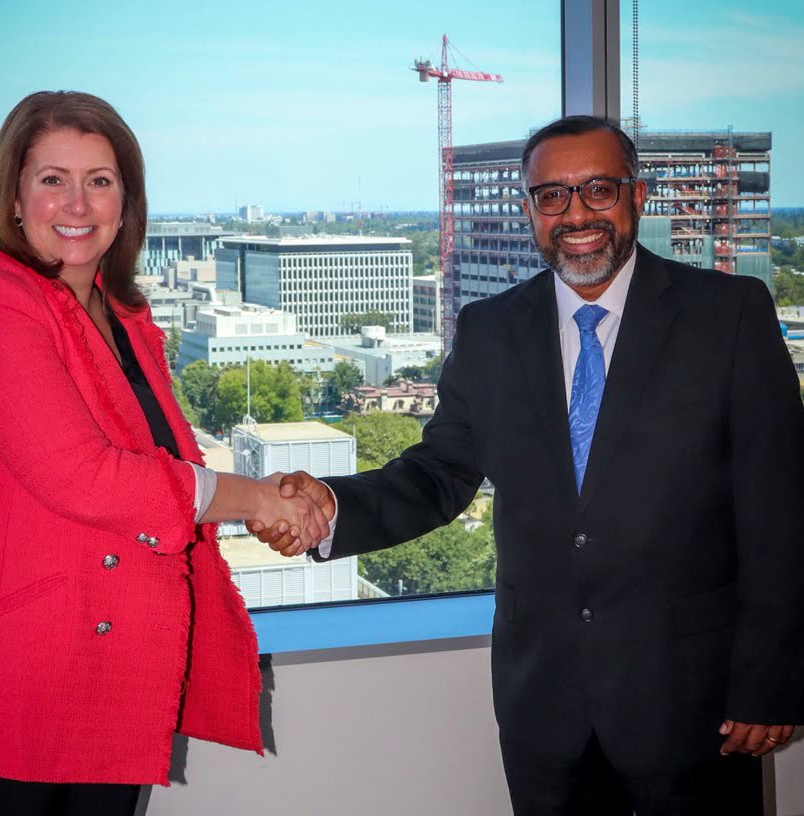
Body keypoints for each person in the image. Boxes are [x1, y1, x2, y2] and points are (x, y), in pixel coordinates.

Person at [251, 116, 804, 815]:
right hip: (544, 708)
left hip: (695, 704)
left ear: (637, 198)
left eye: (598, 189)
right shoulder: (489, 330)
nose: (575, 213)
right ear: (530, 212)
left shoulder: (728, 316)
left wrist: (770, 683)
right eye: (552, 195)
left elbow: (780, 516)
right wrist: (331, 506)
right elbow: (440, 472)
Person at [0, 90, 329, 816]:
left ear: (125, 202)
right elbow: (88, 478)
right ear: (13, 197)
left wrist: (270, 496)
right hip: (5, 682)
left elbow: (161, 461)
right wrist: (261, 501)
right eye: (52, 179)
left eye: (99, 181)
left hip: (105, 678)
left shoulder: (127, 316)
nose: (77, 202)